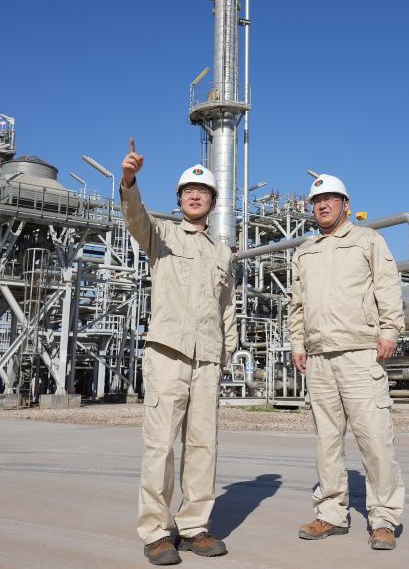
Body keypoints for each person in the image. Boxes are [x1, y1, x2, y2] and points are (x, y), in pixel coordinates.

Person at [120, 139, 236, 566]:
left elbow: (227, 311)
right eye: (189, 190)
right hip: (168, 353)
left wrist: (225, 357)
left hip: (207, 360)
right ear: (179, 198)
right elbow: (135, 217)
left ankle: (193, 527)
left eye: (202, 191)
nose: (195, 195)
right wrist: (129, 181)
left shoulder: (222, 253)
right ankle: (156, 532)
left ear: (212, 202)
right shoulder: (162, 234)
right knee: (160, 446)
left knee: (204, 446)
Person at [288, 173, 406, 551]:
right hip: (319, 357)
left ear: (346, 205)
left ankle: (383, 519)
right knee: (327, 441)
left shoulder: (367, 240)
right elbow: (297, 305)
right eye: (317, 201)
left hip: (359, 353)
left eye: (330, 199)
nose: (322, 205)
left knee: (374, 439)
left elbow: (387, 286)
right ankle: (331, 514)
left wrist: (390, 330)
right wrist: (297, 343)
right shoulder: (305, 251)